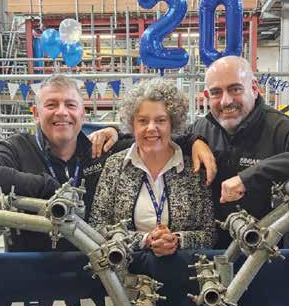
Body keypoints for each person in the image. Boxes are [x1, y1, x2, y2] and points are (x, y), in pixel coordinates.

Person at [0, 74, 214, 251]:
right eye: (51, 105)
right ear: (36, 113)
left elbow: (155, 138)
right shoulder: (17, 147)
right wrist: (48, 187)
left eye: (70, 105)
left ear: (82, 113)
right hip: (31, 267)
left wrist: (196, 141)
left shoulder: (99, 149)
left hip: (90, 270)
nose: (62, 112)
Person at [194, 55, 289, 247]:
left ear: (254, 88)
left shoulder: (284, 129)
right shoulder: (202, 128)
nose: (226, 101)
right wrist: (195, 141)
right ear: (207, 96)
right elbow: (170, 139)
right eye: (216, 92)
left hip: (273, 254)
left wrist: (250, 177)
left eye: (235, 89)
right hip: (215, 254)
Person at [88, 79, 215, 255]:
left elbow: (209, 234)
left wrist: (176, 240)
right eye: (143, 121)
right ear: (132, 125)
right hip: (126, 268)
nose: (151, 128)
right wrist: (145, 240)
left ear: (172, 124)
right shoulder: (115, 165)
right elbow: (97, 227)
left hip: (183, 269)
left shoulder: (193, 168)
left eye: (161, 120)